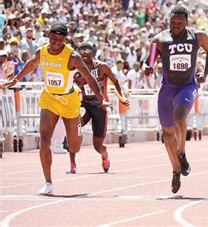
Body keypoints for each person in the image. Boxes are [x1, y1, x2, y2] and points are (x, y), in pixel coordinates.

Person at [0, 23, 108, 195]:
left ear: (65, 39)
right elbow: (31, 63)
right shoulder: (41, 51)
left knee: (74, 147)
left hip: (69, 100)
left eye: (60, 40)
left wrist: (101, 99)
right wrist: (16, 79)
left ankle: (75, 130)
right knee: (44, 141)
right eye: (53, 38)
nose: (56, 42)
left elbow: (88, 77)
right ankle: (48, 182)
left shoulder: (73, 57)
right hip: (49, 98)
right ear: (48, 35)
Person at [145, 6, 208, 194]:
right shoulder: (159, 40)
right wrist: (148, 67)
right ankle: (176, 170)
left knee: (179, 118)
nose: (176, 26)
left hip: (187, 86)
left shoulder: (198, 37)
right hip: (167, 88)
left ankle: (182, 151)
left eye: (180, 23)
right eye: (173, 22)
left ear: (187, 22)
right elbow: (149, 61)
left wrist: (205, 73)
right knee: (168, 135)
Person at [68, 42, 129, 174]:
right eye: (81, 49)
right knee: (73, 128)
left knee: (97, 146)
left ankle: (104, 153)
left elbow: (116, 81)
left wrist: (122, 98)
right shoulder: (75, 71)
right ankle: (72, 164)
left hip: (100, 107)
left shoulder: (102, 67)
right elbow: (68, 85)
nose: (84, 52)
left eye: (87, 49)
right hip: (85, 104)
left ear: (93, 51)